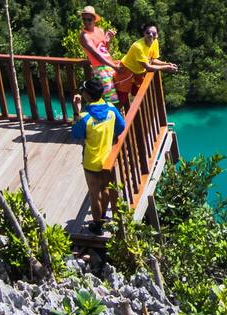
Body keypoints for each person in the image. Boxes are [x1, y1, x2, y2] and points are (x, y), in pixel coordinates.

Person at [71, 79, 123, 229]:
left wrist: (77, 111)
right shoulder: (111, 109)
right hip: (108, 159)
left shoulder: (85, 117)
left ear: (86, 95)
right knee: (105, 188)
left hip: (91, 161)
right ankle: (104, 217)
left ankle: (97, 225)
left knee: (95, 194)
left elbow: (75, 134)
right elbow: (121, 126)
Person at [116, 24, 178, 97]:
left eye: (154, 33)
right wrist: (166, 68)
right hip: (126, 71)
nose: (151, 35)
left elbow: (153, 59)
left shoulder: (155, 42)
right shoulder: (138, 46)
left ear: (157, 35)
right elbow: (148, 67)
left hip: (138, 73)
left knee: (140, 95)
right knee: (122, 97)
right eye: (148, 32)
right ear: (144, 33)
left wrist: (167, 64)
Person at [78, 6, 121, 104]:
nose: (86, 22)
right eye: (84, 19)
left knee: (116, 90)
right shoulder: (84, 36)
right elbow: (96, 54)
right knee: (110, 98)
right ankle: (112, 117)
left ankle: (112, 116)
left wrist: (108, 40)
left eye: (89, 19)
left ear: (94, 19)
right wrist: (114, 66)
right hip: (99, 68)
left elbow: (105, 49)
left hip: (108, 65)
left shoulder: (100, 30)